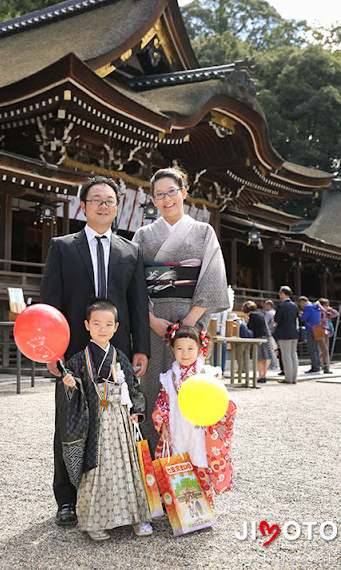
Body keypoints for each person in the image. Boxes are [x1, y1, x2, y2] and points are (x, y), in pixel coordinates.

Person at [40, 176, 150, 525]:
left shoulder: (130, 251)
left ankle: (114, 493)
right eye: (96, 199)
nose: (104, 205)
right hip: (72, 348)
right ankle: (66, 498)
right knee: (70, 420)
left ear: (117, 208)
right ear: (83, 206)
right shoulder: (63, 246)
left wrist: (141, 349)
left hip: (116, 348)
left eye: (110, 200)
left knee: (116, 421)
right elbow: (50, 302)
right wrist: (50, 352)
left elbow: (137, 305)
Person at [133, 167, 229, 449]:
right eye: (159, 194)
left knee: (188, 390)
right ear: (152, 200)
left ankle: (188, 469)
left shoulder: (203, 232)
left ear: (184, 193)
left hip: (191, 322)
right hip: (153, 321)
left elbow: (213, 276)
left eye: (172, 192)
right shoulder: (143, 235)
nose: (166, 199)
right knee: (152, 389)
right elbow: (134, 282)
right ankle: (153, 470)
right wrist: (150, 319)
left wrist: (189, 321)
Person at [61, 299, 152, 541]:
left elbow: (133, 386)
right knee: (97, 470)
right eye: (97, 323)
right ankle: (95, 521)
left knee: (126, 468)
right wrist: (71, 384)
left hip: (120, 419)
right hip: (95, 422)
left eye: (108, 324)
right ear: (87, 325)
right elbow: (71, 384)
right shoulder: (80, 359)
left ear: (116, 327)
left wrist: (137, 409)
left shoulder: (119, 356)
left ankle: (135, 516)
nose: (103, 328)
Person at [152, 325, 237, 506]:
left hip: (202, 431)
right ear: (173, 350)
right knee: (179, 467)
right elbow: (163, 402)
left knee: (201, 466)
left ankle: (205, 507)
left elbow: (223, 402)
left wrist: (215, 415)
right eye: (180, 348)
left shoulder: (209, 374)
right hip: (177, 429)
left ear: (200, 349)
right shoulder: (168, 378)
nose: (185, 353)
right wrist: (164, 425)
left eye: (190, 348)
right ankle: (182, 509)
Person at [273, 286, 299, 384]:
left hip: (284, 333)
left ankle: (288, 378)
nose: (279, 295)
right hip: (294, 332)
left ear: (283, 293)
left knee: (286, 355)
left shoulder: (281, 306)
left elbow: (277, 320)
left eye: (280, 293)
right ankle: (294, 378)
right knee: (293, 355)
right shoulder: (294, 305)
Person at [242, 301, 272, 383]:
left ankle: (260, 376)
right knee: (265, 358)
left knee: (259, 358)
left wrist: (247, 322)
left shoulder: (252, 315)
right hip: (266, 336)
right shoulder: (261, 313)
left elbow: (251, 327)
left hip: (258, 337)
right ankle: (264, 376)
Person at [297, 296, 323, 373]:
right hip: (318, 328)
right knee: (316, 349)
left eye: (300, 305)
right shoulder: (316, 306)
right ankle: (318, 365)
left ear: (302, 302)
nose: (301, 306)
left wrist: (301, 315)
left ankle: (314, 367)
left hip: (310, 329)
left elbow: (303, 318)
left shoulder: (307, 307)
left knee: (311, 349)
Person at [318, 298, 338, 374]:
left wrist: (330, 308)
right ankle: (323, 365)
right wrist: (321, 306)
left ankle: (325, 365)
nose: (327, 306)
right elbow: (321, 310)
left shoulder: (326, 313)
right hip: (320, 331)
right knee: (322, 349)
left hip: (326, 331)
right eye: (326, 305)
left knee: (326, 350)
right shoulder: (319, 311)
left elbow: (336, 313)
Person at [264, 300, 278, 370]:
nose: (265, 306)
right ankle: (274, 364)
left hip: (269, 332)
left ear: (269, 305)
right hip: (275, 332)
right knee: (274, 349)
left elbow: (265, 323)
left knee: (271, 349)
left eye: (266, 305)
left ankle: (273, 364)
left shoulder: (268, 313)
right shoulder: (274, 312)